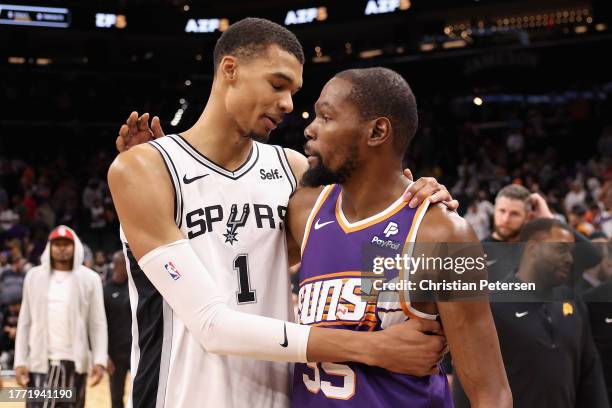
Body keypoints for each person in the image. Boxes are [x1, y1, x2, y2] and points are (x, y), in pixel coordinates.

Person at [109, 17, 455, 408]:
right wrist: (372, 348)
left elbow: (371, 240)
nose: (289, 104)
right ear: (230, 69)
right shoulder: (144, 167)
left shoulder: (295, 170)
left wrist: (414, 198)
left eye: (294, 91)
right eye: (277, 84)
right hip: (182, 395)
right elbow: (212, 325)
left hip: (279, 397)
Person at [287, 67, 510, 407]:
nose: (310, 128)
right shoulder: (304, 211)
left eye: (326, 117)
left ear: (377, 131)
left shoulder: (442, 234)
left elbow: (489, 391)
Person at [487, 219, 608, 408]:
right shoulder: (492, 304)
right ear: (533, 249)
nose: (569, 259)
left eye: (571, 252)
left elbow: (590, 377)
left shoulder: (573, 303)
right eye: (561, 249)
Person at [14, 225, 107, 408]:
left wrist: (99, 360)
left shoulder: (90, 279)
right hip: (39, 362)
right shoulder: (34, 277)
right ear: (50, 247)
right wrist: (20, 361)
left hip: (74, 361)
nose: (62, 248)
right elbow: (24, 322)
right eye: (57, 244)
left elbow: (97, 324)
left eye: (66, 244)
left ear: (76, 247)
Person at [103, 251, 132, 408]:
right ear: (118, 265)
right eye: (125, 264)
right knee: (116, 397)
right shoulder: (105, 291)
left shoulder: (134, 288)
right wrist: (105, 355)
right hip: (115, 354)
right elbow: (102, 325)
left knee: (141, 393)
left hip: (136, 351)